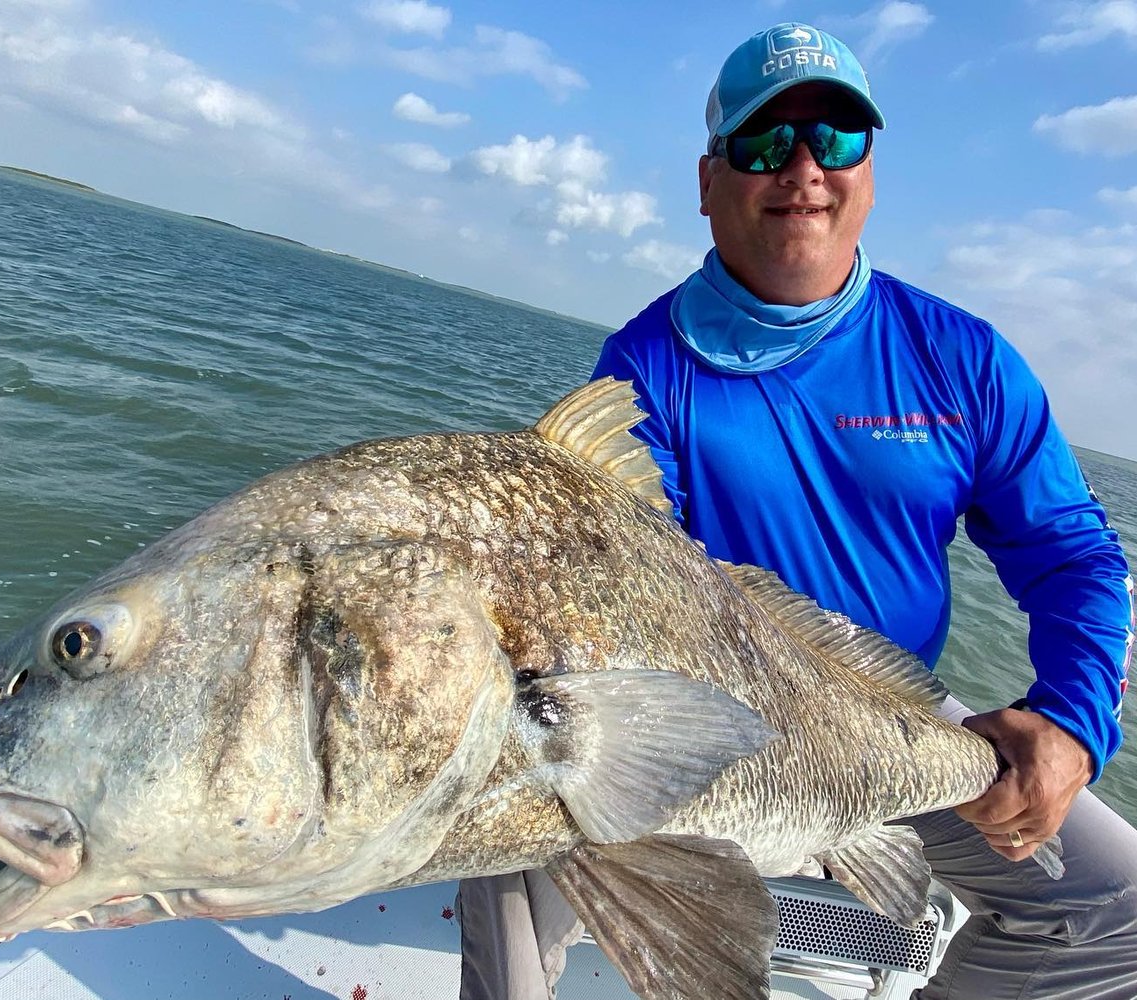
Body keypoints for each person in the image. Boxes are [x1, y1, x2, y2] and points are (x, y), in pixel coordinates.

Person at [458, 21, 1137, 1000]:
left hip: (891, 725)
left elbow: (1070, 555)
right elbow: (614, 578)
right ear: (707, 181)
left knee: (1115, 908)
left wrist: (1069, 722)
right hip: (708, 716)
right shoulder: (645, 367)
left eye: (836, 138)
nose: (804, 168)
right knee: (519, 803)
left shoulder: (962, 357)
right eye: (765, 143)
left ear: (869, 171)